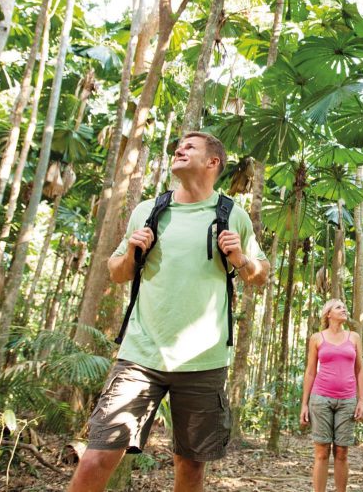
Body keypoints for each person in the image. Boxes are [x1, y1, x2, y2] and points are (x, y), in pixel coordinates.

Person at [68, 132, 270, 492]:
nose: (179, 149)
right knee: (98, 456)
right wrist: (132, 251)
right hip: (140, 356)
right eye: (179, 145)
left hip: (203, 361)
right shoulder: (149, 210)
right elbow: (116, 272)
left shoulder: (232, 214)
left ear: (213, 163)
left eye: (190, 147)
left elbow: (261, 275)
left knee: (190, 466)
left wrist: (239, 258)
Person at [300, 299, 363, 492]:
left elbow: (360, 370)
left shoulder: (353, 337)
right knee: (321, 452)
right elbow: (310, 371)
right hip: (320, 399)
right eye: (338, 307)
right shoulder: (317, 338)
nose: (344, 309)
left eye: (345, 306)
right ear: (328, 314)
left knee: (342, 451)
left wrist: (361, 400)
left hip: (347, 400)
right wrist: (304, 404)